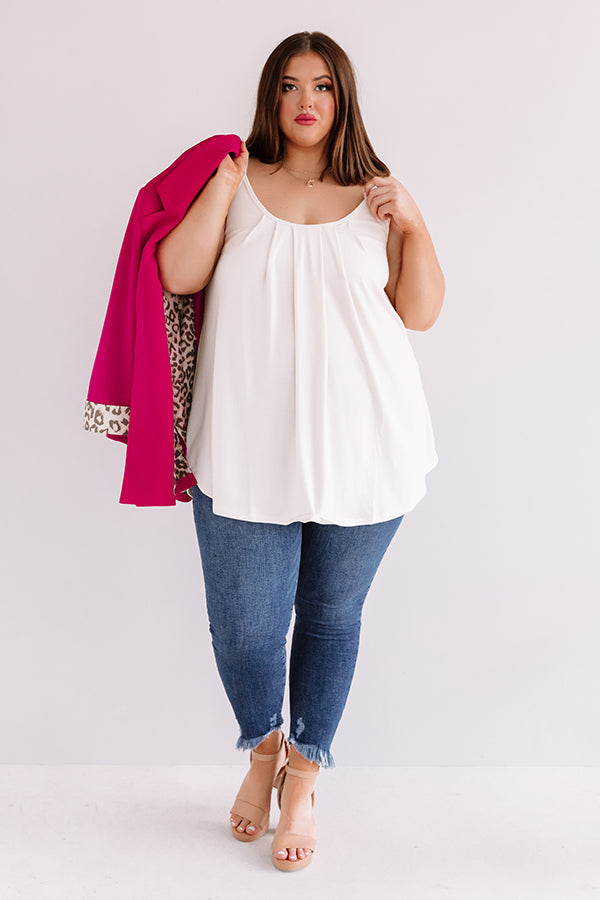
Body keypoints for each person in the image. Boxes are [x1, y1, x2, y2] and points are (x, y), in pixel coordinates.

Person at [156, 30, 445, 872]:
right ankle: (262, 751)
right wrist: (221, 187)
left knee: (329, 619)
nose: (305, 101)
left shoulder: (377, 193)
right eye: (289, 85)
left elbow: (420, 313)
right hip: (244, 444)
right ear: (270, 97)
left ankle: (304, 778)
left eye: (321, 85)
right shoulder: (237, 177)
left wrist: (415, 222)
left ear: (342, 96)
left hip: (367, 442)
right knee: (246, 630)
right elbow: (178, 273)